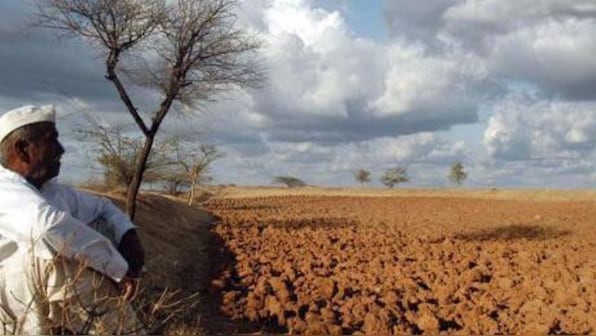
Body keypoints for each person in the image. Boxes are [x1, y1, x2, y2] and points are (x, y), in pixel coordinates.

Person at [0, 105, 146, 334]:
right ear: (22, 150)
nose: (61, 149)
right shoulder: (4, 189)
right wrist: (116, 269)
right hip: (9, 297)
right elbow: (47, 227)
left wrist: (128, 235)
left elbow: (102, 207)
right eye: (51, 141)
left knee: (91, 232)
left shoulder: (51, 190)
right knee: (54, 253)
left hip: (39, 293)